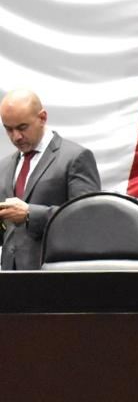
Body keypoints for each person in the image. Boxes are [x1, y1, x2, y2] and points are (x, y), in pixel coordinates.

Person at [0, 89, 101, 270]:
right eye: (9, 129)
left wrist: (31, 213)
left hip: (56, 276)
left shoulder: (75, 157)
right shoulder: (5, 166)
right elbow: (6, 229)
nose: (16, 137)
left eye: (22, 127)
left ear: (42, 118)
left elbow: (88, 220)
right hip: (10, 279)